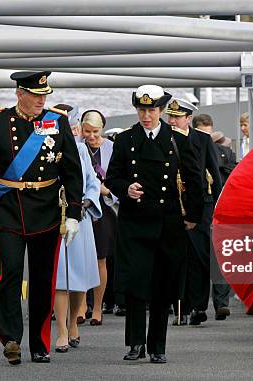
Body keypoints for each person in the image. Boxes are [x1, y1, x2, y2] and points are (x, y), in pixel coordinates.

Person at [0, 71, 83, 365]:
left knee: (44, 280)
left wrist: (75, 213)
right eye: (36, 95)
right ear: (20, 94)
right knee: (11, 273)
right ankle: (11, 338)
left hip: (47, 210)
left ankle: (40, 343)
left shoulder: (58, 121)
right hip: (8, 210)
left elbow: (72, 170)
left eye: (45, 95)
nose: (41, 101)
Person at [105, 85, 204, 364]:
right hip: (135, 223)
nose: (146, 115)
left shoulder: (178, 140)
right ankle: (135, 342)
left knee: (163, 285)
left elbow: (195, 180)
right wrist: (126, 188)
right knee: (136, 284)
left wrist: (192, 217)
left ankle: (157, 346)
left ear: (161, 111)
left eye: (151, 110)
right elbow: (112, 178)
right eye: (142, 110)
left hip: (168, 223)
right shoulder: (125, 140)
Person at [166, 103, 223, 325]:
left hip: (201, 204)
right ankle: (180, 307)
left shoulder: (202, 139)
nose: (172, 121)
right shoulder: (163, 138)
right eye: (170, 117)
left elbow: (214, 174)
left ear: (188, 119)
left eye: (177, 117)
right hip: (172, 204)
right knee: (176, 257)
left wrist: (218, 207)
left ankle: (198, 306)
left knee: (199, 256)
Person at [53, 107, 101, 353]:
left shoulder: (82, 151)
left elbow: (92, 181)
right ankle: (61, 329)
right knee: (61, 277)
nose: (72, 133)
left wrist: (89, 201)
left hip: (79, 218)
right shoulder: (49, 150)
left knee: (79, 278)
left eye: (74, 129)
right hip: (55, 218)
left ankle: (73, 323)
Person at [81, 110, 119, 325]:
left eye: (95, 132)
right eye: (87, 131)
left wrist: (106, 191)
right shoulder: (76, 146)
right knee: (79, 258)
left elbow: (120, 180)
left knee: (100, 259)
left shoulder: (112, 148)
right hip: (80, 208)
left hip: (104, 209)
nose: (92, 136)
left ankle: (97, 307)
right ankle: (80, 306)